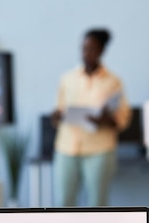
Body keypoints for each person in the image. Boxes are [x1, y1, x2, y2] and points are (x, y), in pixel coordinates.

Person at [51, 28, 131, 207]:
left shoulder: (113, 82)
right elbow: (59, 110)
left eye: (92, 48)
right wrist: (56, 115)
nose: (86, 53)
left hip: (99, 150)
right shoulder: (67, 78)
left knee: (98, 204)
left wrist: (105, 119)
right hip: (67, 148)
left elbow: (123, 119)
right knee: (64, 202)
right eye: (84, 48)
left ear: (102, 50)